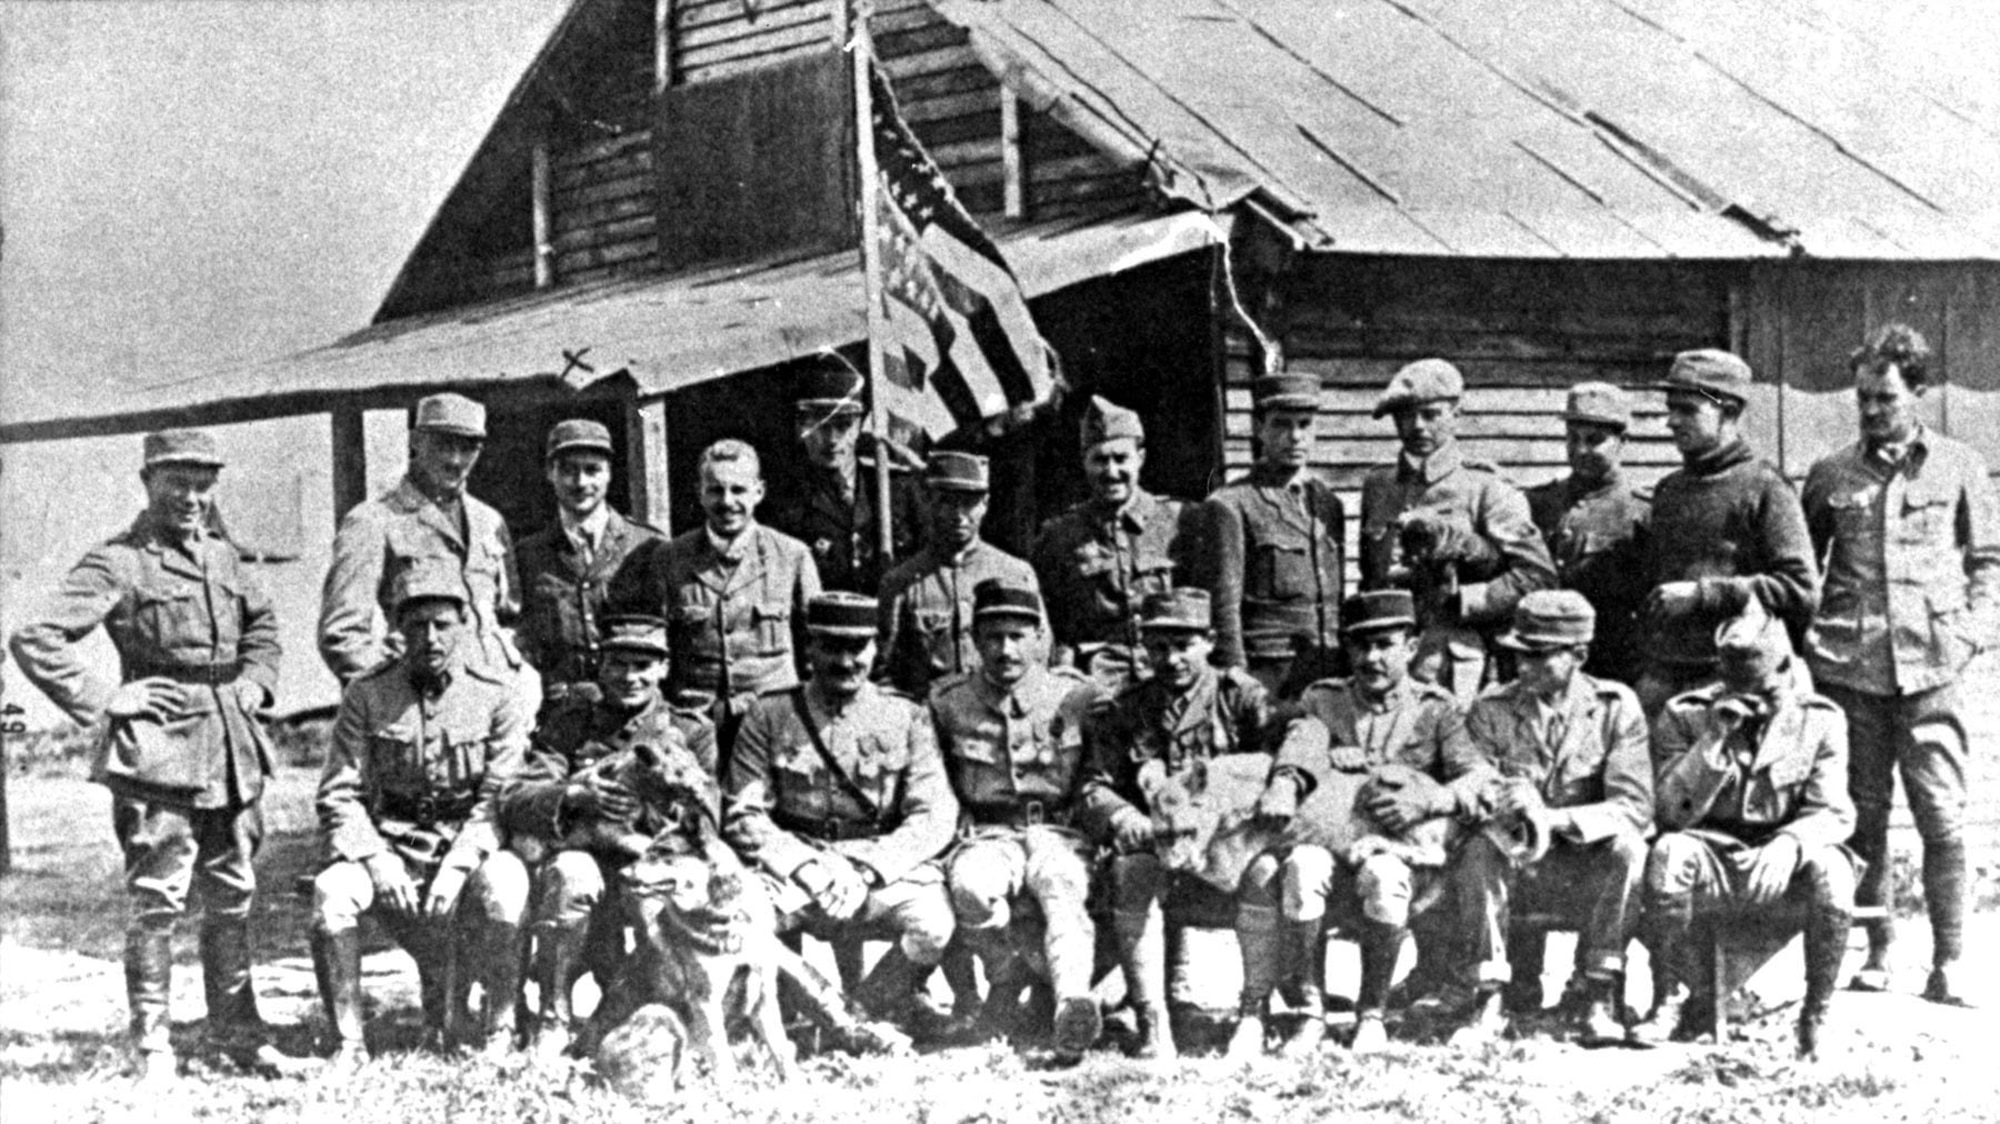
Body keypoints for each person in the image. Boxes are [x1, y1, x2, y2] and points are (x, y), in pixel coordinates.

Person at [8, 429, 312, 1085]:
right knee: (158, 900)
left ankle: (238, 1034)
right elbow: (35, 636)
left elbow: (263, 629)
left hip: (232, 746)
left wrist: (258, 682)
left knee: (233, 895)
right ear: (149, 483)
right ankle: (153, 1047)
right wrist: (108, 699)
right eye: (178, 483)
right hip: (159, 752)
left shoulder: (229, 558)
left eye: (204, 484)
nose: (193, 498)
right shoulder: (119, 561)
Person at [1800, 324, 1999, 1008]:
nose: (1872, 411)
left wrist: (1971, 633)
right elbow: (1802, 573)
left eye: (1885, 397)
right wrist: (1808, 653)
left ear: (1918, 392)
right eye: (1863, 399)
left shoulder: (1959, 465)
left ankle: (1949, 962)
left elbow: (1989, 562)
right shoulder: (1831, 474)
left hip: (1931, 669)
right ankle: (1879, 951)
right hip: (1850, 669)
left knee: (1942, 818)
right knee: (1863, 817)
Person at [1229, 590, 1494, 1057]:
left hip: (1399, 850)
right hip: (1328, 842)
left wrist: (1431, 798)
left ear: (1410, 648)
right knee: (1301, 869)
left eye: (1386, 645)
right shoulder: (1324, 700)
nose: (1372, 658)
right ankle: (1311, 1014)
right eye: (1361, 647)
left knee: (1384, 877)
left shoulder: (1436, 709)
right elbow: (1292, 748)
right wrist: (1325, 760)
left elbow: (1477, 780)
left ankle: (1371, 1014)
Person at [309, 562, 533, 1066]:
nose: (430, 637)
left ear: (466, 625)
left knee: (508, 884)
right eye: (416, 625)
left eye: (443, 624)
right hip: (392, 847)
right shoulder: (367, 693)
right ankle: (349, 1042)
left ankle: (499, 1029)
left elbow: (500, 794)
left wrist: (458, 865)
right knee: (332, 894)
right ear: (397, 628)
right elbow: (338, 794)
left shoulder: (497, 693)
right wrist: (375, 859)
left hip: (468, 848)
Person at [723, 592, 960, 1032]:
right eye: (832, 647)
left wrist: (867, 868)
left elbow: (933, 815)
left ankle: (865, 1010)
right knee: (741, 919)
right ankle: (814, 1007)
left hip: (874, 866)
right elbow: (743, 813)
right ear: (809, 647)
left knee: (933, 924)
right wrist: (804, 865)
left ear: (876, 648)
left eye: (858, 648)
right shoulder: (770, 714)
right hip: (795, 865)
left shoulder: (905, 717)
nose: (846, 661)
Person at [1079, 588, 1291, 1060]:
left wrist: (1290, 780)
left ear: (1210, 641)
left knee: (1265, 873)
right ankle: (1152, 1022)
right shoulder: (1128, 707)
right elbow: (1095, 785)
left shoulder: (1240, 696)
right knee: (1131, 873)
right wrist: (1125, 815)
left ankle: (1253, 1014)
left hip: (1228, 854)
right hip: (1160, 848)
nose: (1171, 658)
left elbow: (1295, 735)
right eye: (1158, 647)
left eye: (1184, 644)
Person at [1634, 611, 1856, 1058]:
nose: (1758, 703)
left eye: (1768, 691)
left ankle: (1818, 1014)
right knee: (1668, 854)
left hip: (1785, 854)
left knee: (1835, 872)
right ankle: (1668, 999)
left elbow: (1832, 810)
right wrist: (1714, 740)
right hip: (1710, 850)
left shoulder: (1821, 719)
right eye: (1743, 690)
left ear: (1786, 671)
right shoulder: (1685, 715)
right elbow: (1671, 815)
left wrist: (1791, 843)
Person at [498, 614, 717, 1056]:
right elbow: (516, 797)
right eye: (617, 663)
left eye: (642, 664)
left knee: (665, 900)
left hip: (654, 862)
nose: (629, 677)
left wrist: (644, 825)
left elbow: (708, 823)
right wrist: (576, 794)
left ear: (663, 669)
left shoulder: (692, 729)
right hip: (587, 858)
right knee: (570, 873)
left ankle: (675, 1014)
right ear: (600, 666)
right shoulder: (571, 721)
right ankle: (553, 1017)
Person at [1452, 590, 1653, 1046]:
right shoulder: (1492, 709)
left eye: (1538, 657)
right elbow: (1476, 785)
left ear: (1578, 655)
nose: (1522, 668)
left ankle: (1598, 992)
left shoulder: (1615, 708)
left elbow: (1633, 807)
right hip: (1517, 860)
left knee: (1630, 848)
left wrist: (1553, 818)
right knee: (1480, 847)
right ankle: (1489, 995)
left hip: (1584, 866)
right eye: (1518, 655)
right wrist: (1510, 804)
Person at [928, 578, 1110, 1059]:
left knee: (1061, 883)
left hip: (1057, 831)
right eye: (992, 637)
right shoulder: (948, 702)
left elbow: (1099, 775)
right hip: (988, 833)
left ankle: (1072, 1004)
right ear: (974, 641)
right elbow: (936, 783)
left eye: (1017, 636)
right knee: (969, 887)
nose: (1005, 649)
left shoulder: (1077, 697)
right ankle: (1008, 977)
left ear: (1039, 638)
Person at [318, 392, 538, 713]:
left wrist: (517, 680)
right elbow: (343, 634)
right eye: (443, 445)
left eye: (467, 447)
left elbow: (511, 616)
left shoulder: (489, 521)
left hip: (494, 702)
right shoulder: (373, 521)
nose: (455, 460)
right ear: (415, 442)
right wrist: (390, 696)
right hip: (418, 706)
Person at [1360, 359, 1555, 703]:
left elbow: (1537, 576)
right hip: (1384, 667)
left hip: (1456, 665)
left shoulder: (1486, 487)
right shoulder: (1379, 485)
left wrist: (1465, 601)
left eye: (1431, 415)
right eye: (1405, 416)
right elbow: (1372, 577)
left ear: (1456, 414)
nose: (1417, 426)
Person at [612, 439, 820, 760]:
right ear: (700, 493)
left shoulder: (792, 556)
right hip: (693, 723)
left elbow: (815, 648)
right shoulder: (669, 559)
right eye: (715, 490)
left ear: (759, 492)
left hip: (773, 720)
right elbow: (652, 647)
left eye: (738, 490)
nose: (727, 502)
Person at [1638, 350, 1817, 717]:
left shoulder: (1765, 487)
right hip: (1664, 675)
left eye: (1688, 410)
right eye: (1670, 408)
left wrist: (1704, 595)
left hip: (1733, 681)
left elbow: (1801, 589)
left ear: (1729, 412)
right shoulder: (1669, 490)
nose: (1672, 421)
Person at [1030, 395, 1202, 691]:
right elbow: (1053, 624)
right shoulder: (1060, 536)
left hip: (1170, 674)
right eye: (1099, 460)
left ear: (1141, 459)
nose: (1111, 472)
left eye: (1121, 459)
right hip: (1098, 682)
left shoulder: (1180, 522)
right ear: (1084, 462)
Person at [1201, 372, 1345, 695]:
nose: (1295, 437)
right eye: (1282, 424)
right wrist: (1236, 679)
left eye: (1305, 424)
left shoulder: (1328, 504)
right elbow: (1224, 607)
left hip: (1326, 669)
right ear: (1259, 429)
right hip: (1267, 675)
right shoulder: (1231, 505)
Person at [514, 419, 665, 712]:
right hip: (560, 713)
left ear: (609, 473)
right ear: (550, 473)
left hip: (631, 708)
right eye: (569, 470)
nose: (581, 483)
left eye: (592, 470)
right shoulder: (529, 554)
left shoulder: (647, 546)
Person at [876, 451, 1041, 696]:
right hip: (930, 717)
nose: (959, 514)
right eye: (947, 501)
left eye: (969, 502)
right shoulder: (901, 582)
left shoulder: (1016, 573)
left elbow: (1038, 656)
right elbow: (885, 673)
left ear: (985, 504)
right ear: (928, 502)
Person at [1524, 382, 1652, 684]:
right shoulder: (1539, 503)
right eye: (1572, 438)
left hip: (1612, 666)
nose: (1580, 450)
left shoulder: (1643, 512)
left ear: (1623, 441)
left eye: (1594, 440)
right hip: (1541, 658)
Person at [765, 363, 922, 595]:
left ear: (859, 426)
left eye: (843, 426)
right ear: (800, 427)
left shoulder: (894, 488)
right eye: (820, 426)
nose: (832, 439)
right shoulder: (784, 498)